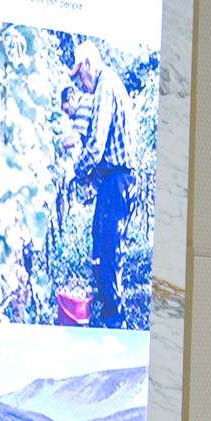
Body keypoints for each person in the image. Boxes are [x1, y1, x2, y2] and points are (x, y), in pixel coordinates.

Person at [69, 44, 136, 327]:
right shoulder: (106, 84)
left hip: (118, 179)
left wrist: (76, 172)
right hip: (114, 179)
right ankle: (106, 307)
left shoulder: (105, 86)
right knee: (100, 240)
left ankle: (114, 320)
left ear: (87, 63)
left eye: (79, 75)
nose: (80, 82)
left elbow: (96, 146)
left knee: (109, 251)